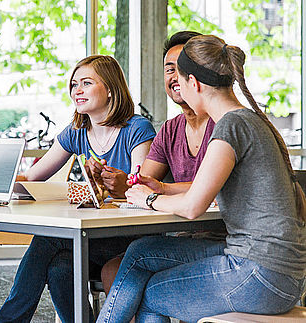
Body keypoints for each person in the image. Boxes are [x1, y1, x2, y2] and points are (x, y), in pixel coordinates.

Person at [97, 35, 306, 323]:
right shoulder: (250, 120)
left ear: (193, 83)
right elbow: (205, 188)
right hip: (281, 271)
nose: (178, 87)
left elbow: (193, 207)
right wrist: (164, 188)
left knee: (150, 294)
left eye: (180, 81)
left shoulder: (230, 126)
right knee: (141, 251)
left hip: (259, 274)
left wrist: (147, 198)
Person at [0, 55, 156, 323]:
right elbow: (34, 177)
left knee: (48, 237)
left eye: (86, 83)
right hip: (92, 238)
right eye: (73, 85)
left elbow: (142, 187)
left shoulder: (137, 128)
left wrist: (121, 184)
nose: (76, 91)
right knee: (60, 268)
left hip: (130, 237)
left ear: (111, 89)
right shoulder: (77, 131)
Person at [98, 30, 219, 289]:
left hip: (220, 236)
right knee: (112, 271)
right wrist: (120, 181)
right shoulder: (169, 129)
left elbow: (216, 190)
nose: (175, 77)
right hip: (180, 232)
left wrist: (157, 190)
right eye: (168, 69)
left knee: (136, 269)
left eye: (182, 68)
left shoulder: (225, 123)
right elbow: (142, 182)